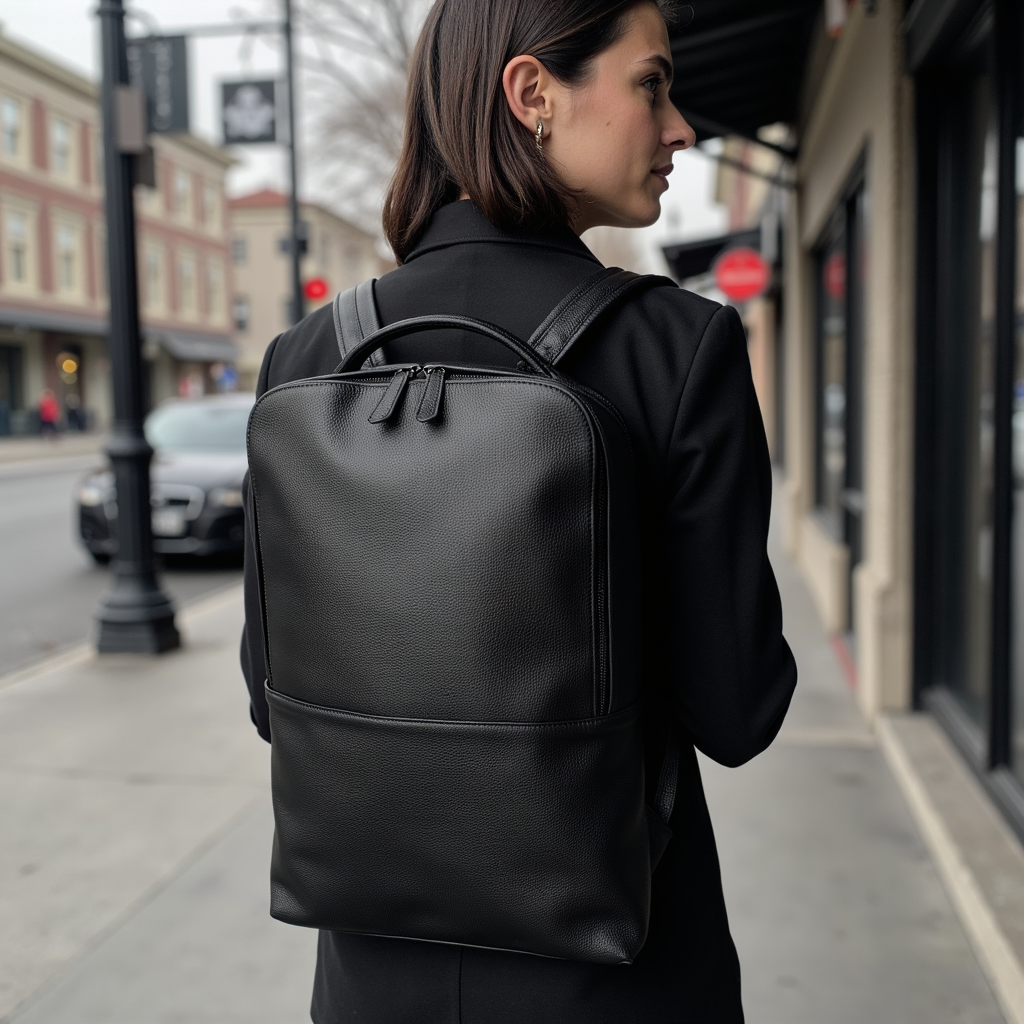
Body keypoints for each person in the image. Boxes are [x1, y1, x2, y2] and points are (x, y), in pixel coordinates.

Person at [240, 1, 797, 1020]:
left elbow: (269, 696)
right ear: (533, 93)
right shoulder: (680, 351)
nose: (680, 127)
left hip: (372, 976)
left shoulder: (307, 359)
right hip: (615, 971)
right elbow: (738, 710)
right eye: (651, 84)